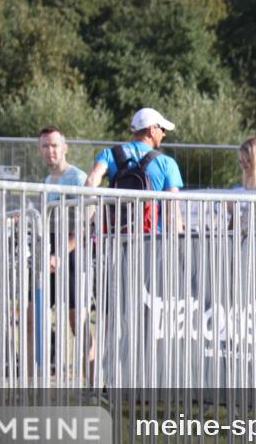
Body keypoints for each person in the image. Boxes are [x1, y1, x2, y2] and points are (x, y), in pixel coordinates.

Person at [36, 127, 91, 380]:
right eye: (46, 146)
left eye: (55, 146)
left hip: (72, 256)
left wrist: (60, 254)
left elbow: (84, 224)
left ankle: (92, 384)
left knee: (76, 322)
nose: (51, 151)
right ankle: (34, 379)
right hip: (51, 254)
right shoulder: (47, 181)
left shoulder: (78, 178)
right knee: (32, 314)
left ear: (65, 148)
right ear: (40, 150)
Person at [85, 107, 184, 231]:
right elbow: (173, 213)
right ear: (152, 130)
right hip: (152, 239)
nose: (164, 134)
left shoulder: (109, 154)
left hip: (117, 237)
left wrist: (93, 218)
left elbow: (91, 181)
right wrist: (180, 246)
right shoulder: (167, 163)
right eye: (162, 129)